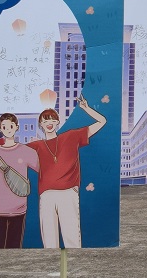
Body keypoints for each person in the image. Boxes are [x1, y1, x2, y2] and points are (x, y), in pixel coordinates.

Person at [28, 95, 106, 249]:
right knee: (49, 241)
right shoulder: (36, 145)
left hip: (68, 192)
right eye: (45, 120)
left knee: (72, 239)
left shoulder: (71, 136)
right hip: (47, 195)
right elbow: (11, 152)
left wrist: (86, 108)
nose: (49, 123)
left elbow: (102, 121)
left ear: (58, 122)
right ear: (41, 124)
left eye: (52, 119)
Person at [0, 113, 40, 249]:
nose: (8, 129)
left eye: (11, 126)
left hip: (19, 210)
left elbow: (43, 171)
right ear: (0, 128)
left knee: (14, 250)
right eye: (4, 127)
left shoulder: (28, 152)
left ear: (16, 127)